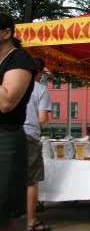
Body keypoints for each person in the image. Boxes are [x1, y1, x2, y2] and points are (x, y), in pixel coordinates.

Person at [0, 12, 37, 231]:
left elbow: (6, 102)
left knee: (3, 211)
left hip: (5, 136)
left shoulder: (20, 59)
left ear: (6, 33)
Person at [23, 58, 52, 231]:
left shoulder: (9, 83)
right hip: (29, 137)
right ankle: (31, 222)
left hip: (7, 134)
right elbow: (42, 119)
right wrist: (36, 125)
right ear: (39, 72)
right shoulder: (40, 89)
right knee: (31, 181)